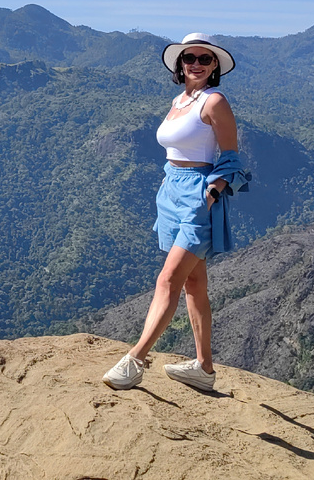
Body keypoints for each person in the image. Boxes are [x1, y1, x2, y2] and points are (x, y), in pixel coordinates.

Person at [102, 32, 249, 392]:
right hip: (170, 193)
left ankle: (135, 360)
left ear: (215, 66)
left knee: (168, 280)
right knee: (194, 285)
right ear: (179, 64)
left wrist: (211, 194)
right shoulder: (179, 100)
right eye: (189, 58)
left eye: (204, 59)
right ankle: (204, 368)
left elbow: (231, 159)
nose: (196, 64)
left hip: (197, 197)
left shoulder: (215, 102)